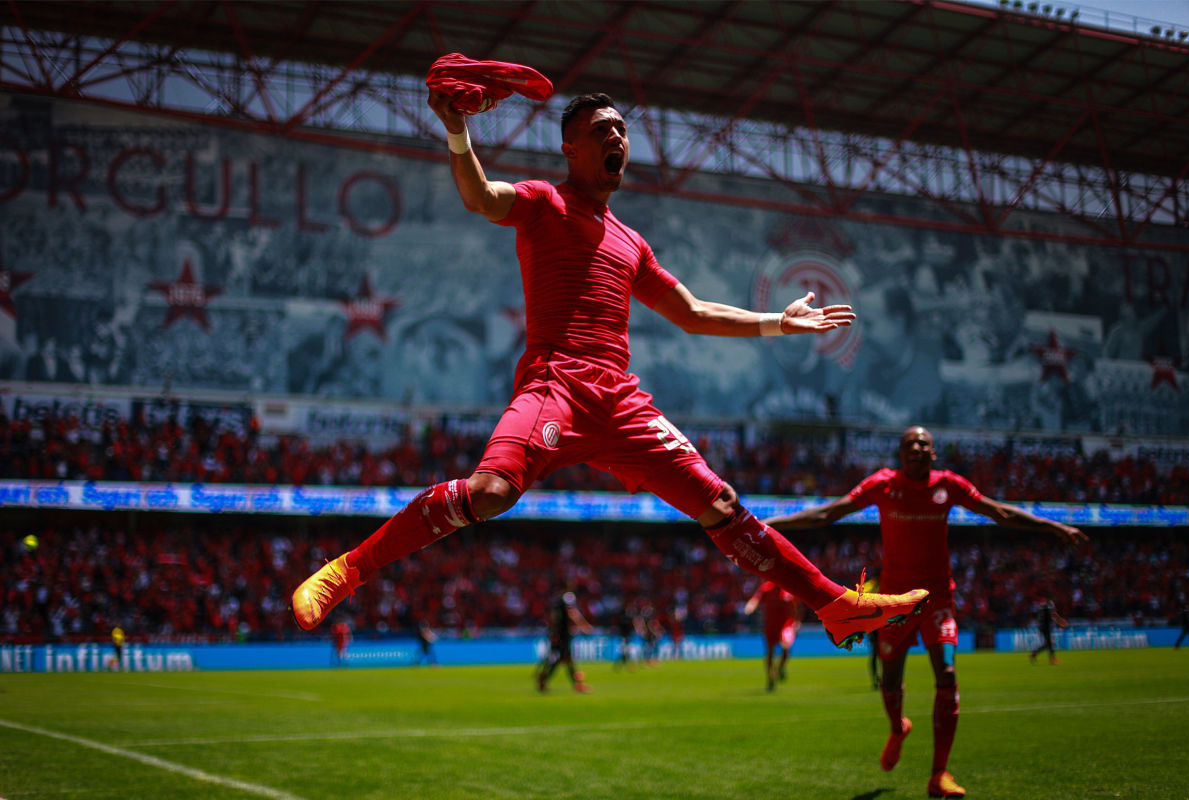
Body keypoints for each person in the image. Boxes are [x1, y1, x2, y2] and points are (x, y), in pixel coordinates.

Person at [292, 85, 931, 664]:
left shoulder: (630, 241)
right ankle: (348, 570)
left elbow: (692, 312)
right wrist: (458, 129)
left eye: (622, 129)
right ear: (570, 149)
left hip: (621, 403)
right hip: (556, 386)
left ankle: (833, 605)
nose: (617, 137)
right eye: (602, 130)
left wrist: (778, 323)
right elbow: (480, 196)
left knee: (720, 504)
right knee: (490, 493)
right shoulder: (544, 202)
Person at [766, 425, 1086, 799]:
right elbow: (829, 513)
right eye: (910, 444)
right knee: (890, 678)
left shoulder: (949, 485)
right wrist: (771, 525)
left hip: (938, 601)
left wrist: (1051, 526)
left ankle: (939, 774)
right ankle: (897, 728)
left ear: (933, 453)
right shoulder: (882, 484)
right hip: (894, 604)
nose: (917, 447)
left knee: (946, 674)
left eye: (923, 443)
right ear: (901, 453)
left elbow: (998, 511)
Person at [536, 584, 595, 693]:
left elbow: (553, 617)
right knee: (566, 658)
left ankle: (543, 679)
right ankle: (576, 684)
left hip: (556, 633)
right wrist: (584, 626)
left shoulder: (556, 600)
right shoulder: (568, 597)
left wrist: (553, 632)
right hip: (563, 634)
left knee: (562, 658)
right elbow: (573, 613)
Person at [743, 580, 799, 692]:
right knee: (770, 652)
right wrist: (750, 606)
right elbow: (756, 598)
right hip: (770, 625)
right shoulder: (766, 588)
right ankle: (770, 678)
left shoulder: (789, 589)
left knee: (786, 646)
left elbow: (797, 607)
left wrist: (797, 621)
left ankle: (781, 667)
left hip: (786, 625)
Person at [1029, 598, 1068, 665]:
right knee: (1049, 643)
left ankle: (1034, 653)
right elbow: (1053, 615)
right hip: (1046, 627)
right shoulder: (1049, 606)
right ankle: (1052, 659)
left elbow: (1048, 616)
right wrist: (1061, 621)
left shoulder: (1043, 607)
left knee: (1048, 644)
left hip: (1042, 627)